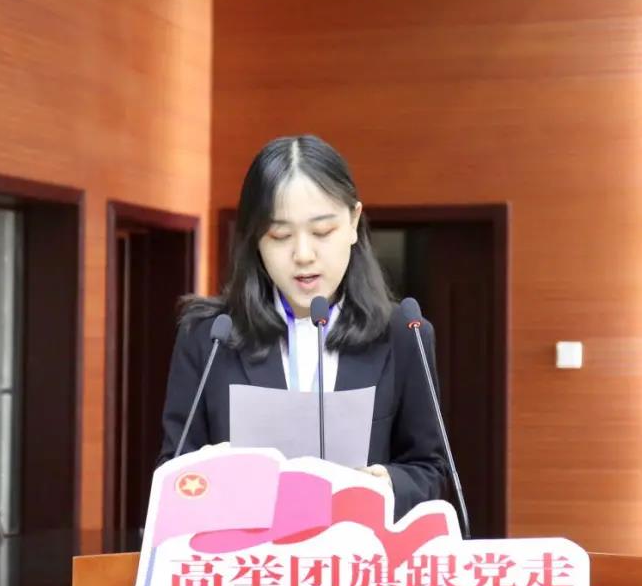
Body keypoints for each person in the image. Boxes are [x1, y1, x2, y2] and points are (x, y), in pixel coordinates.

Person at [156, 134, 447, 520]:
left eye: (322, 232)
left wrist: (389, 483)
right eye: (280, 236)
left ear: (353, 222)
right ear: (255, 238)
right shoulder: (209, 337)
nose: (303, 255)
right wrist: (204, 472)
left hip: (359, 551)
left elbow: (430, 469)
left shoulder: (403, 334)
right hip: (245, 553)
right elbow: (173, 472)